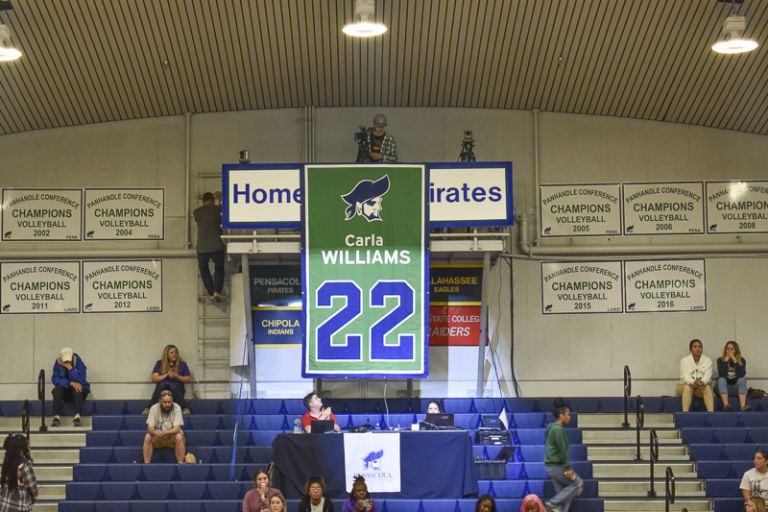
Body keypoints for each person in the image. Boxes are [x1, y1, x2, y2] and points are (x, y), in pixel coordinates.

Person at [544, 398, 583, 512]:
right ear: (561, 415)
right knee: (578, 484)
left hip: (551, 467)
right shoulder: (558, 430)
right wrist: (568, 468)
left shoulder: (552, 428)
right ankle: (551, 503)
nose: (569, 417)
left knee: (565, 495)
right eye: (568, 414)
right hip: (557, 466)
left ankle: (556, 507)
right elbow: (562, 451)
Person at [193, 190, 226, 302]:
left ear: (203, 202)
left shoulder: (196, 212)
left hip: (202, 248)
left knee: (203, 269)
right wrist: (219, 200)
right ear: (212, 200)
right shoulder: (218, 209)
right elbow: (224, 213)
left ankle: (211, 292)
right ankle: (217, 291)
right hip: (217, 246)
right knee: (219, 268)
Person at [144, 344, 191, 415]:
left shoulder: (183, 364)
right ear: (167, 355)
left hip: (177, 389)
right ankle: (149, 408)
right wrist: (166, 375)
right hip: (162, 389)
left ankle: (184, 408)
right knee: (164, 384)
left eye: (176, 352)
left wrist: (176, 376)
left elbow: (187, 379)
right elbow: (154, 378)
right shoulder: (159, 364)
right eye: (171, 352)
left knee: (172, 385)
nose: (174, 354)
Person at [142, 390, 186, 464]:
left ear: (172, 401)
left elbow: (176, 429)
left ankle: (180, 464)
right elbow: (150, 428)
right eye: (165, 402)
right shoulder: (154, 408)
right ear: (160, 401)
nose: (167, 404)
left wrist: (165, 432)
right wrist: (154, 431)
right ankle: (147, 464)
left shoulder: (177, 407)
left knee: (179, 436)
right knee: (148, 436)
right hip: (158, 437)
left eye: (169, 402)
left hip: (171, 438)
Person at [51, 347, 90, 427]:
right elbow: (55, 379)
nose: (67, 362)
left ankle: (77, 417)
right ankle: (56, 417)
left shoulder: (78, 362)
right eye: (65, 360)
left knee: (77, 388)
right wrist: (70, 383)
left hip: (79, 393)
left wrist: (71, 369)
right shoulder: (58, 362)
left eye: (69, 360)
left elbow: (81, 379)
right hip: (65, 392)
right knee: (57, 389)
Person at [0, 434, 37, 512]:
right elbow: (32, 487)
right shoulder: (25, 464)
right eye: (28, 446)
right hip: (20, 506)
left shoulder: (7, 462)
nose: (30, 448)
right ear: (23, 448)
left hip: (5, 506)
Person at [677, 339, 714, 413]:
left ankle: (711, 414)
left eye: (700, 347)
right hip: (684, 385)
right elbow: (684, 377)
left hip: (700, 386)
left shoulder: (708, 360)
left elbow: (708, 376)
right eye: (695, 347)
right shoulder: (684, 360)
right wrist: (693, 382)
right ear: (691, 349)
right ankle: (685, 414)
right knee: (687, 387)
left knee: (707, 387)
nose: (698, 349)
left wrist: (702, 382)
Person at [716, 340, 750, 412]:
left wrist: (735, 361)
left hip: (735, 389)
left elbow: (741, 374)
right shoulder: (720, 360)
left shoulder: (742, 360)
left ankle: (743, 407)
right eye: (727, 349)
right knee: (721, 380)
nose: (729, 351)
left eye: (732, 349)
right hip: (723, 388)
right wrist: (725, 361)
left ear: (736, 351)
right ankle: (726, 405)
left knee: (742, 379)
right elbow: (721, 375)